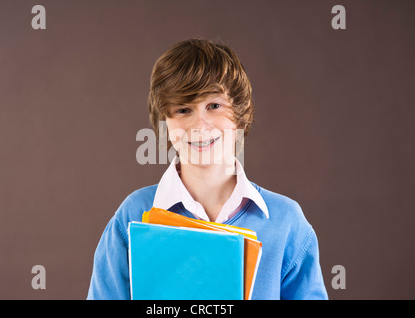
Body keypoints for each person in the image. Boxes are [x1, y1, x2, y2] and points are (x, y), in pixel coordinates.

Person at [87, 39, 328, 300]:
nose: (200, 125)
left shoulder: (286, 223)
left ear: (238, 111)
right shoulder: (132, 216)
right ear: (165, 123)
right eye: (183, 109)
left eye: (214, 105)